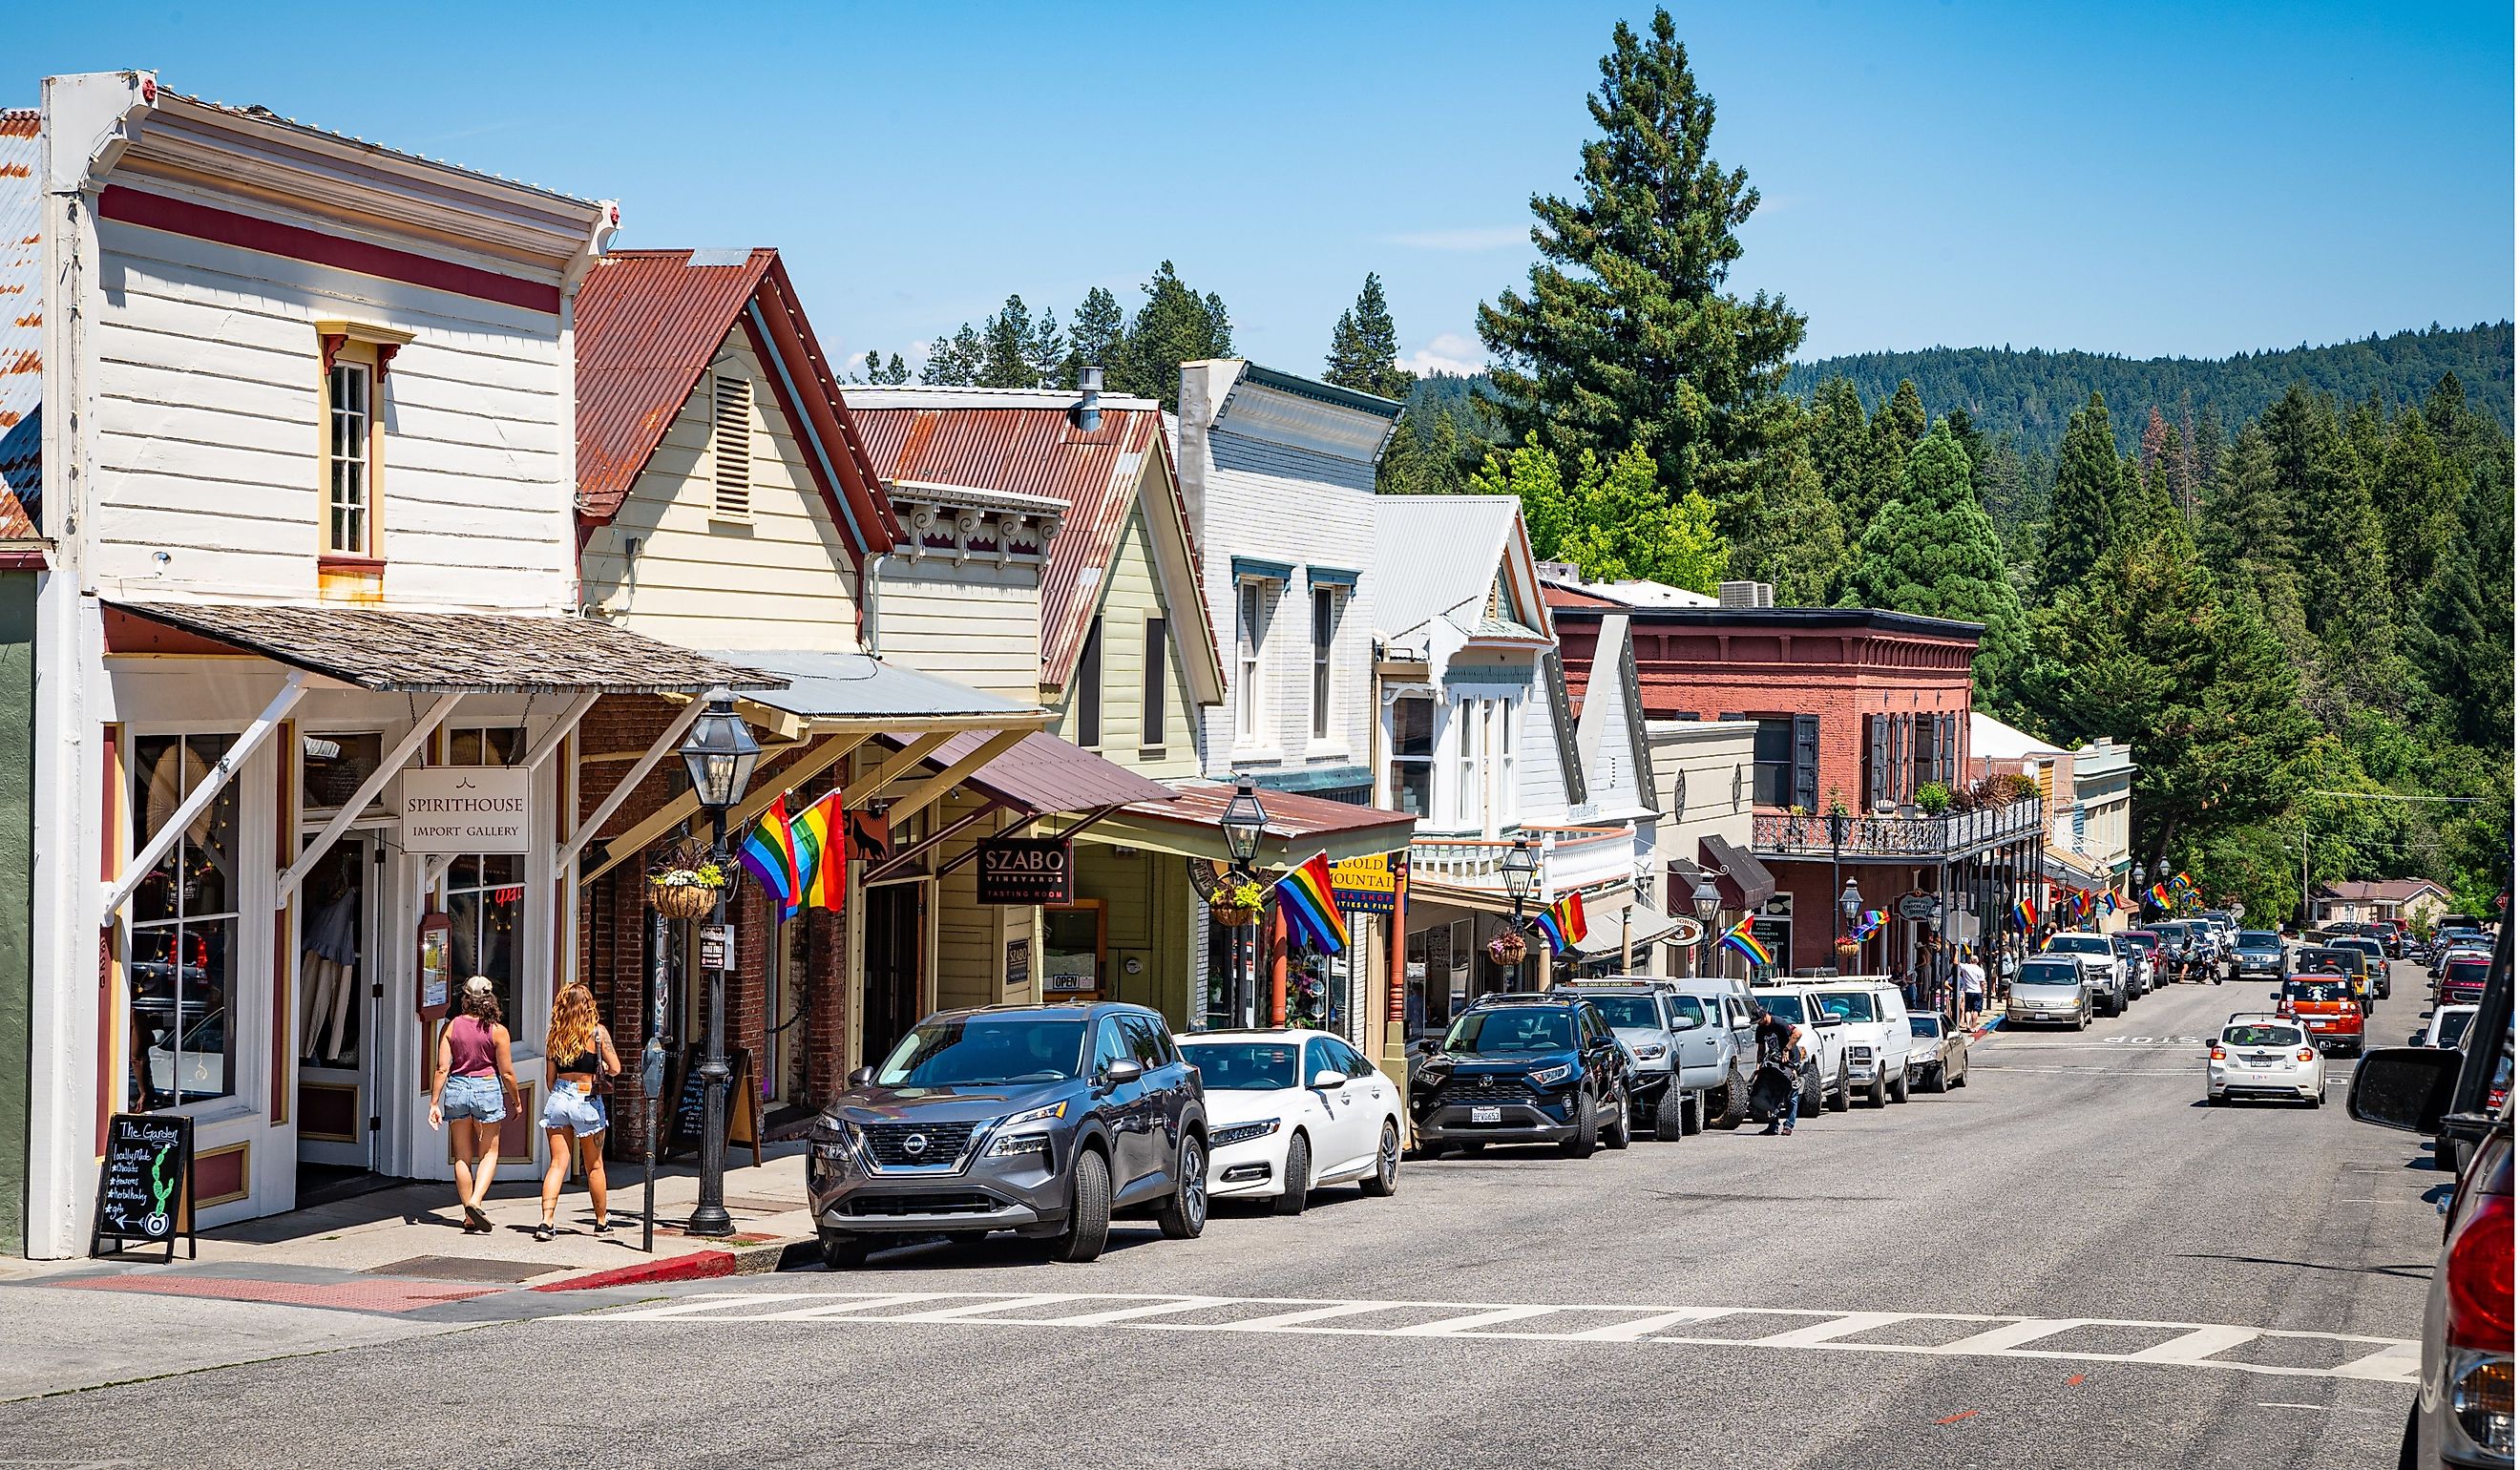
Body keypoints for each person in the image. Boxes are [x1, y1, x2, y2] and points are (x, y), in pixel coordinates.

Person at [429, 976, 517, 1233]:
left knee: (462, 1156)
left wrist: (434, 1102)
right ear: (490, 999)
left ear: (465, 998)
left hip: (457, 1088)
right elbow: (508, 1073)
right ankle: (476, 1202)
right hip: (487, 1088)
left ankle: (468, 1213)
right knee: (489, 1152)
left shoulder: (451, 1027)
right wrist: (517, 1100)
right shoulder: (498, 1030)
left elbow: (442, 1068)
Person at [536, 982, 621, 1241]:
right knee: (594, 1165)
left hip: (560, 1097)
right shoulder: (598, 1033)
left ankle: (547, 1222)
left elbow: (550, 1080)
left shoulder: (555, 1034)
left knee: (557, 1163)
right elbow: (616, 1068)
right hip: (586, 1098)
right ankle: (601, 1221)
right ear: (588, 1005)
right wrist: (603, 1063)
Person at [1751, 1006, 1809, 1137]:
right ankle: (1773, 1126)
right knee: (1773, 1093)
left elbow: (1798, 1033)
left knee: (1792, 1093)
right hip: (1775, 1062)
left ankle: (1788, 1125)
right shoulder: (1760, 1029)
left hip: (1791, 1060)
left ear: (1765, 1016)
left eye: (1759, 1020)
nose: (1758, 1023)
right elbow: (1761, 1048)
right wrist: (1758, 1066)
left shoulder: (1779, 1023)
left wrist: (1786, 1049)